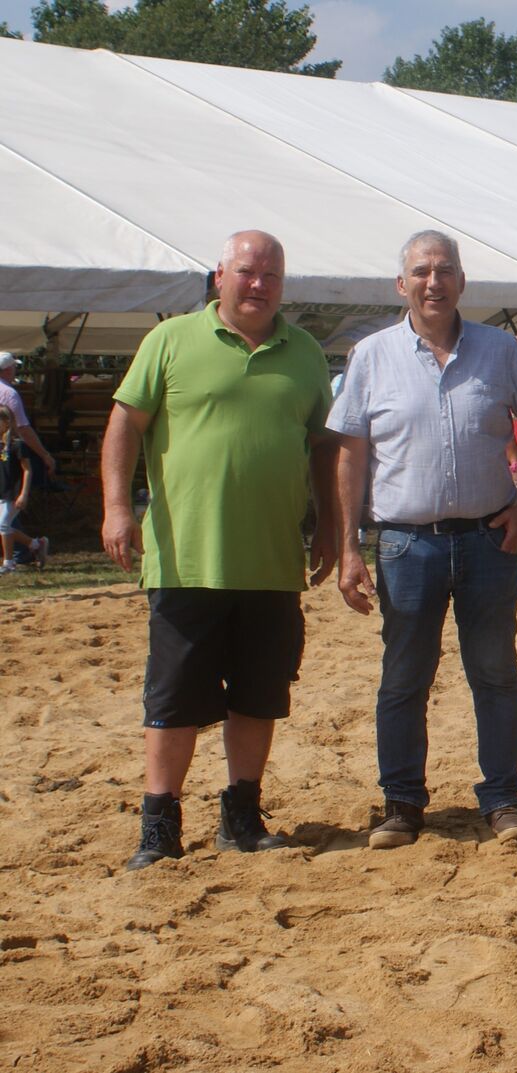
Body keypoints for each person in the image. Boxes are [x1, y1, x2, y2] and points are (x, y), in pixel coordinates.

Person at [101, 230, 336, 872]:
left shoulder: (306, 352)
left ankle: (241, 816)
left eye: (271, 276)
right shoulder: (170, 341)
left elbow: (322, 449)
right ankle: (160, 824)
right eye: (246, 272)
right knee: (174, 698)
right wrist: (118, 507)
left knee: (258, 696)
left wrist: (334, 527)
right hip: (187, 559)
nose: (258, 285)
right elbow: (125, 422)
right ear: (219, 277)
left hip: (271, 562)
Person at [330, 230, 517, 849]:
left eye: (444, 270)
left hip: (488, 542)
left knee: (495, 672)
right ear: (403, 285)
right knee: (403, 676)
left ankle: (503, 798)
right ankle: (401, 803)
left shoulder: (502, 351)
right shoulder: (370, 355)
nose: (433, 282)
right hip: (406, 545)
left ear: (461, 281)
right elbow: (350, 455)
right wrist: (348, 546)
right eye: (421, 271)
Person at [0, 405, 49, 573]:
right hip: (1, 492)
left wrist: (23, 493)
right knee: (4, 527)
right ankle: (36, 544)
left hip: (12, 493)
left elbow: (27, 470)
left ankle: (8, 563)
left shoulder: (17, 445)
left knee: (3, 526)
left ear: (6, 423)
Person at [0, 352, 57, 478]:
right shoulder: (9, 394)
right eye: (14, 367)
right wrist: (45, 455)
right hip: (4, 448)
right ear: (8, 370)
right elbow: (23, 429)